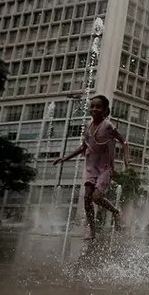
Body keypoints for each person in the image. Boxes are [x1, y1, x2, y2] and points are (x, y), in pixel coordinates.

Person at [53, 94, 129, 240]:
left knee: (96, 197)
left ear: (105, 110)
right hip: (91, 167)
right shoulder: (88, 126)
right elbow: (83, 146)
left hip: (105, 168)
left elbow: (124, 141)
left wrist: (126, 157)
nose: (94, 109)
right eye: (92, 106)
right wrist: (65, 158)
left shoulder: (108, 126)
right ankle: (92, 230)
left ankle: (115, 211)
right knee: (87, 198)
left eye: (98, 107)